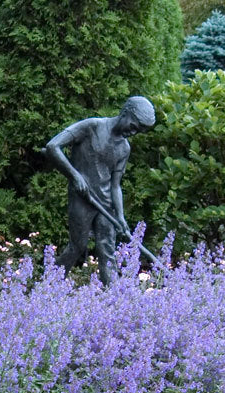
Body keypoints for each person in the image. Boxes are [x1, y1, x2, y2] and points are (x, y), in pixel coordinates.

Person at [44, 96, 155, 284]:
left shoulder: (124, 148)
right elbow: (52, 146)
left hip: (105, 204)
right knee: (77, 246)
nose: (133, 132)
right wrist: (75, 176)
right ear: (125, 112)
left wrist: (120, 216)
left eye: (138, 131)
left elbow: (115, 185)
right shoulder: (91, 127)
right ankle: (49, 285)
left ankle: (113, 295)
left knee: (107, 250)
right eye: (133, 126)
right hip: (82, 199)